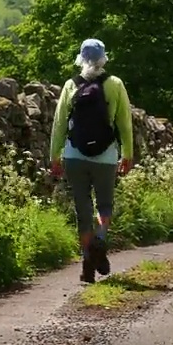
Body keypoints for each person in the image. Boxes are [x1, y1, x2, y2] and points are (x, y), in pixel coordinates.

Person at [48, 38, 134, 284]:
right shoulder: (115, 84)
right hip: (106, 156)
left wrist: (54, 157)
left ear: (80, 59)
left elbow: (59, 124)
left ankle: (87, 263)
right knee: (104, 206)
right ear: (104, 58)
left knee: (82, 210)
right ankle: (100, 239)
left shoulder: (70, 85)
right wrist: (127, 154)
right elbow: (125, 123)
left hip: (75, 155)